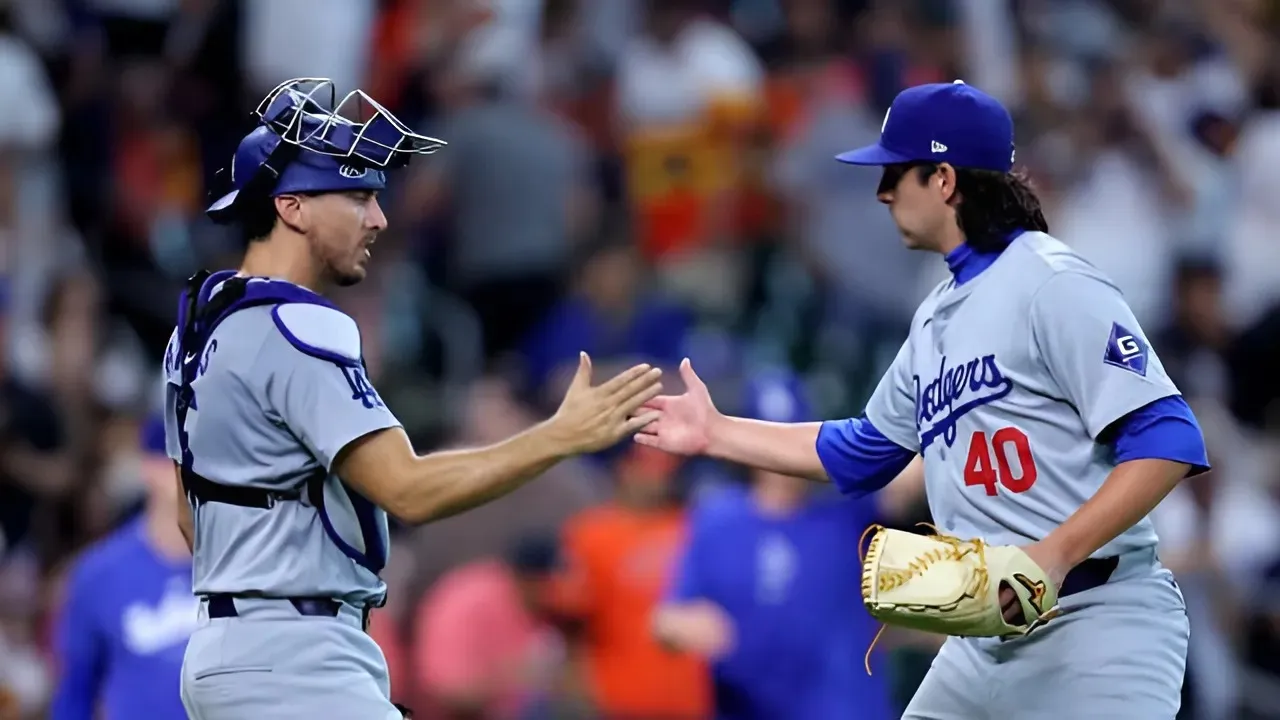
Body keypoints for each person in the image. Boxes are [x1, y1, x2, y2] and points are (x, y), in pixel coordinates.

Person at [634, 80, 1210, 719]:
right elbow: (861, 452)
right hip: (984, 635)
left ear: (942, 179)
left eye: (895, 173)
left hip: (1096, 622)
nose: (882, 192)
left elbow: (1168, 442)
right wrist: (716, 433)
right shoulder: (934, 316)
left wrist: (1054, 554)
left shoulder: (1052, 282)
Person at [163, 78, 663, 720]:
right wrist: (560, 435)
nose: (380, 219)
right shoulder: (303, 325)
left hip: (219, 654)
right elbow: (409, 490)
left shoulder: (196, 328)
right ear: (293, 206)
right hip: (299, 658)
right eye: (358, 196)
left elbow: (190, 519)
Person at [652, 370, 899, 719]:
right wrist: (686, 627)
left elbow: (913, 474)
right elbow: (668, 618)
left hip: (843, 706)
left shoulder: (847, 509)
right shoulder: (718, 518)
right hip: (750, 704)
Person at [50, 414, 196, 720]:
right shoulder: (99, 575)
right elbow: (74, 694)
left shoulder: (247, 568)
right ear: (149, 467)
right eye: (180, 458)